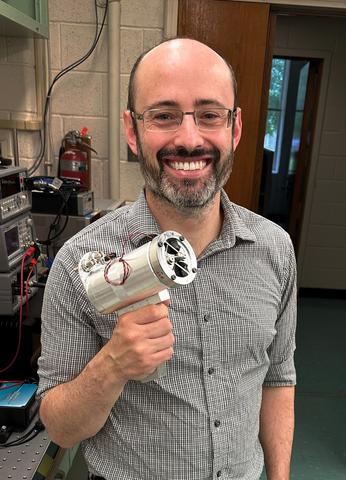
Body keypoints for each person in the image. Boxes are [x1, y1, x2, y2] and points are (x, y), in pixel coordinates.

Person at [37, 38, 296, 480]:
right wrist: (114, 364)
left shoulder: (275, 249)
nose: (190, 139)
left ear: (234, 129)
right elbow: (59, 426)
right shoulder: (80, 263)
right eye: (164, 116)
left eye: (210, 115)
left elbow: (277, 379)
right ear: (132, 131)